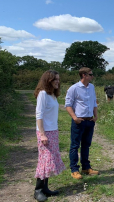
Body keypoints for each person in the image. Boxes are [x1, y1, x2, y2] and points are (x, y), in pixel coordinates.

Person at [34, 70, 65, 202]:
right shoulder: (43, 94)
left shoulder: (53, 95)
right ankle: (38, 190)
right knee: (45, 160)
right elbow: (39, 115)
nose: (58, 81)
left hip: (53, 131)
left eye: (58, 79)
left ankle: (45, 188)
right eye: (55, 80)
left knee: (50, 159)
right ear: (48, 81)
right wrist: (42, 134)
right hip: (45, 132)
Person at [65, 67, 99, 179]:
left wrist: (96, 116)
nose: (92, 76)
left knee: (86, 145)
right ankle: (74, 169)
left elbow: (94, 102)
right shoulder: (74, 88)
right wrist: (75, 118)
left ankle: (86, 167)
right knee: (75, 145)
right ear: (84, 75)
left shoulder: (91, 87)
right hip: (79, 121)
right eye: (90, 74)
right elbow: (68, 105)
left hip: (90, 121)